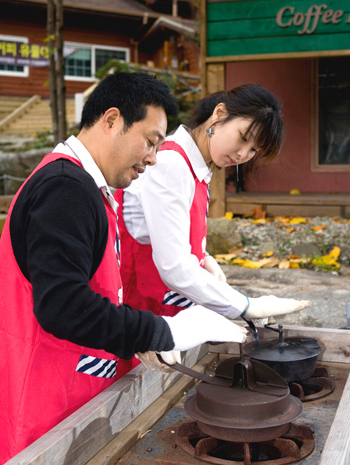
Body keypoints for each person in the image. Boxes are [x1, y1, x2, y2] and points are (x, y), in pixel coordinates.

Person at [0, 72, 248, 463]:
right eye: (150, 142)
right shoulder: (65, 189)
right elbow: (63, 306)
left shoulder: (91, 187)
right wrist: (163, 330)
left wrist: (138, 337)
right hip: (47, 406)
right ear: (111, 120)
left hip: (80, 392)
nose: (153, 158)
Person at [115, 84, 311, 363]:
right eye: (243, 137)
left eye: (253, 149)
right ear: (220, 114)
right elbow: (174, 267)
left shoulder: (199, 167)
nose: (243, 154)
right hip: (142, 315)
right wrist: (244, 305)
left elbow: (169, 232)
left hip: (168, 313)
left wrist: (204, 259)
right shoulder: (171, 164)